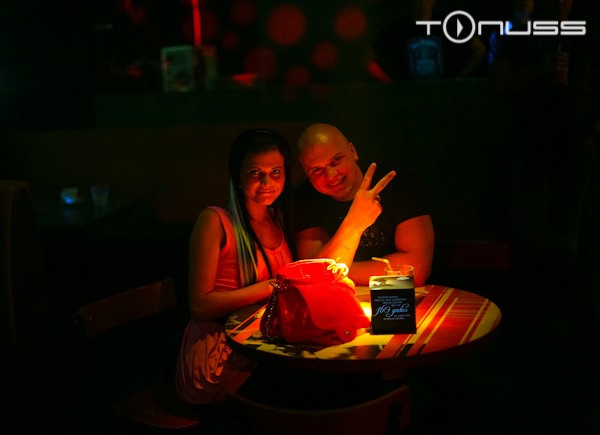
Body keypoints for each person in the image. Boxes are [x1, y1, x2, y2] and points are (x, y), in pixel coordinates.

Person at [488, 0, 600, 331]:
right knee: (535, 227)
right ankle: (577, 302)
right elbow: (497, 83)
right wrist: (539, 69)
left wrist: (593, 132)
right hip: (535, 143)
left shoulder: (588, 30)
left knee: (564, 229)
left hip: (577, 144)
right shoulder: (524, 32)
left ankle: (560, 315)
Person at [175, 128, 294, 405]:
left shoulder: (277, 218)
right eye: (255, 172)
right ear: (238, 175)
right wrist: (268, 287)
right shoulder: (215, 221)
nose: (267, 182)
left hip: (261, 344)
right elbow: (199, 307)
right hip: (219, 356)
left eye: (276, 172)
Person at [293, 123, 435, 287]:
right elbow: (312, 279)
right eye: (317, 170)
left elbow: (416, 273)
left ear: (352, 151)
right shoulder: (305, 199)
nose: (331, 175)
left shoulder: (398, 184)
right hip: (340, 297)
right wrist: (354, 223)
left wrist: (334, 273)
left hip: (398, 295)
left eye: (336, 160)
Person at [369, 0, 487, 82]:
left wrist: (459, 79)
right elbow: (368, 58)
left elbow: (479, 49)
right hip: (411, 99)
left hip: (443, 97)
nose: (422, 2)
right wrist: (391, 84)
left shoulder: (448, 25)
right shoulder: (398, 29)